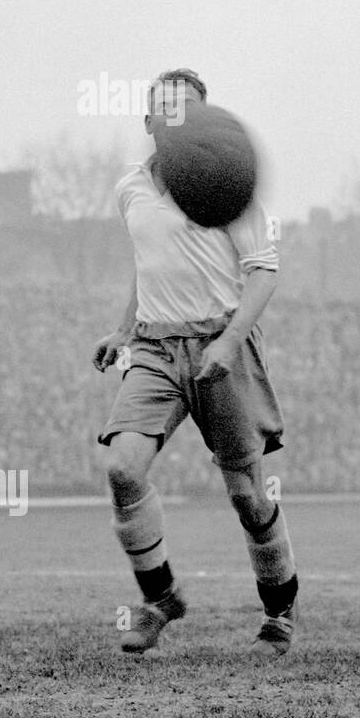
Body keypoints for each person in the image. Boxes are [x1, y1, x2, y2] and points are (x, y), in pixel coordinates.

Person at [93, 69, 299, 655]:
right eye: (168, 109)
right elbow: (149, 263)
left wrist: (231, 341)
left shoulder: (229, 184)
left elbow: (263, 269)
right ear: (150, 123)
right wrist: (124, 327)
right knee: (122, 470)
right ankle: (161, 599)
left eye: (191, 109)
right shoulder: (130, 187)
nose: (179, 118)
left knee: (247, 494)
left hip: (221, 344)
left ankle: (278, 615)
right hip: (155, 348)